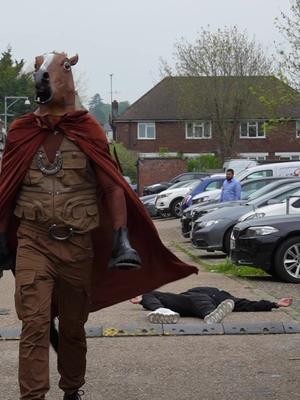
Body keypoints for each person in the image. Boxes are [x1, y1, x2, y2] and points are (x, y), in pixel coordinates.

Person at [0, 52, 197, 400]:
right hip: (33, 241)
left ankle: (72, 388)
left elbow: (110, 185)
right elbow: (6, 186)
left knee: (73, 327)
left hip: (77, 244)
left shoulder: (87, 129)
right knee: (34, 324)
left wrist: (122, 238)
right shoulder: (21, 131)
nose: (44, 78)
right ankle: (32, 396)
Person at [131, 286, 293, 324]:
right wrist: (143, 299)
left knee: (203, 299)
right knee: (151, 293)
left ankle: (211, 315)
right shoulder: (202, 290)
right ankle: (162, 311)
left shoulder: (229, 299)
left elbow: (249, 304)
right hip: (185, 301)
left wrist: (275, 304)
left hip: (209, 305)